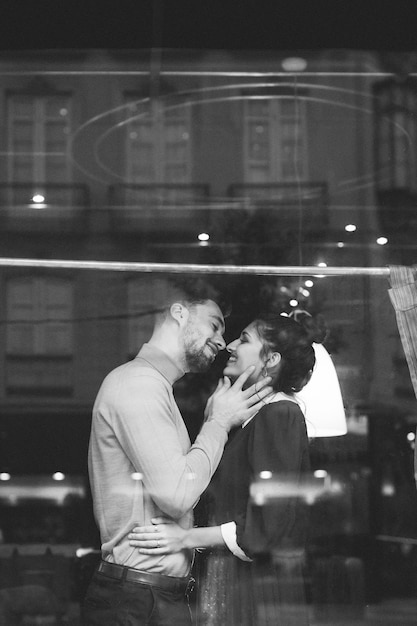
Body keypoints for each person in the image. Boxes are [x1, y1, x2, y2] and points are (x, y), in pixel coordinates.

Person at [81, 281, 273, 626]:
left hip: (147, 597)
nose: (221, 341)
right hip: (137, 602)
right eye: (214, 324)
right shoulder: (138, 385)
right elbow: (177, 495)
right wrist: (218, 422)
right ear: (179, 312)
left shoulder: (153, 386)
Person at [129, 312, 327, 625]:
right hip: (234, 580)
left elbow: (269, 524)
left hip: (251, 586)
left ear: (271, 359)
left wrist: (185, 538)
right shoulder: (256, 418)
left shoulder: (280, 415)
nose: (230, 344)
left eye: (244, 339)